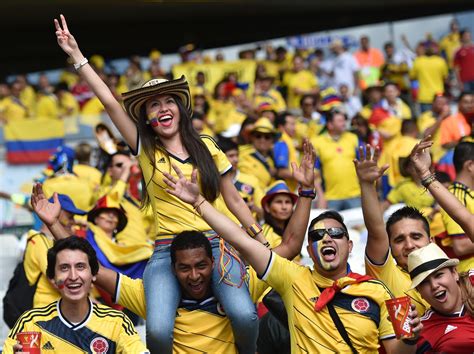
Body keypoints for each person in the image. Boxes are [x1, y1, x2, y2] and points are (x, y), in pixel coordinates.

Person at [53, 15, 262, 353]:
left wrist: (257, 237)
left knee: (246, 316)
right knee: (160, 332)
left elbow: (235, 200)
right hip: (167, 250)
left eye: (168, 101)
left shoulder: (207, 145)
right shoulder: (146, 149)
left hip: (217, 243)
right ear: (147, 117)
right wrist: (77, 56)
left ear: (180, 109)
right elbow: (108, 101)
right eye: (153, 104)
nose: (162, 108)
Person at [31, 139, 316, 353]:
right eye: (184, 268)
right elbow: (90, 266)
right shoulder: (152, 298)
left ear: (215, 262)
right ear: (170, 268)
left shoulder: (236, 281)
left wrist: (305, 192)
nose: (194, 275)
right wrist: (55, 226)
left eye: (201, 266)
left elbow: (290, 246)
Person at [163, 164, 423, 353]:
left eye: (336, 233)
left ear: (350, 244)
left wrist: (410, 338)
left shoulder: (377, 291)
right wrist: (198, 202)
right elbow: (239, 238)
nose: (327, 238)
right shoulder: (292, 277)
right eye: (318, 235)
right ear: (309, 251)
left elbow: (397, 352)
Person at [3, 236, 149, 354]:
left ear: (93, 275)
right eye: (64, 267)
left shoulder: (117, 323)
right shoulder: (30, 323)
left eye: (80, 267)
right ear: (53, 278)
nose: (73, 276)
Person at [355, 145, 431, 315]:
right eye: (399, 240)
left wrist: (426, 175)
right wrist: (367, 185)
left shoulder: (448, 273)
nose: (409, 245)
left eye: (416, 236)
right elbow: (376, 231)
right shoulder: (387, 273)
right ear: (389, 247)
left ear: (431, 241)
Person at [407, 243, 474, 353]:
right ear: (420, 293)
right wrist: (409, 340)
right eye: (424, 282)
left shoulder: (472, 279)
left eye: (438, 275)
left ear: (454, 273)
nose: (434, 286)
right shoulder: (425, 329)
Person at [24, 194, 86, 308]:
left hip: (63, 308)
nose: (73, 221)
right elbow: (56, 280)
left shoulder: (52, 241)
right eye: (70, 216)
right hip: (47, 310)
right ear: (57, 211)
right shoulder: (38, 241)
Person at [410, 137, 474, 242]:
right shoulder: (457, 194)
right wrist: (425, 173)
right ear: (470, 165)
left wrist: (425, 174)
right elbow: (463, 218)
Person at [312, 108, 361, 211]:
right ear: (330, 125)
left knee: (359, 226)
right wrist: (321, 196)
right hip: (330, 198)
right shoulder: (317, 142)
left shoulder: (353, 138)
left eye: (344, 120)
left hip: (355, 195)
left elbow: (364, 165)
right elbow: (314, 173)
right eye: (340, 121)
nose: (344, 124)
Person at [438, 142, 474, 272]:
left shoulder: (468, 194)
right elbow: (461, 246)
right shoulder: (455, 195)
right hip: (470, 273)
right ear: (470, 165)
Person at [217, 138, 264, 220]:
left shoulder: (251, 180)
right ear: (220, 158)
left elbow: (263, 211)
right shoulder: (212, 183)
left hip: (250, 229)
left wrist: (253, 208)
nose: (236, 160)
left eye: (237, 155)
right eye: (231, 156)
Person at [238, 117, 277, 190]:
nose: (262, 140)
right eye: (258, 136)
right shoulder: (241, 153)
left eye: (267, 137)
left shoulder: (271, 160)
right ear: (252, 137)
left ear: (272, 140)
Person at [273, 112, 299, 191]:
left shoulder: (288, 141)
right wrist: (302, 177)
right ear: (281, 127)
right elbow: (281, 172)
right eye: (291, 124)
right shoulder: (282, 142)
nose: (295, 128)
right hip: (285, 189)